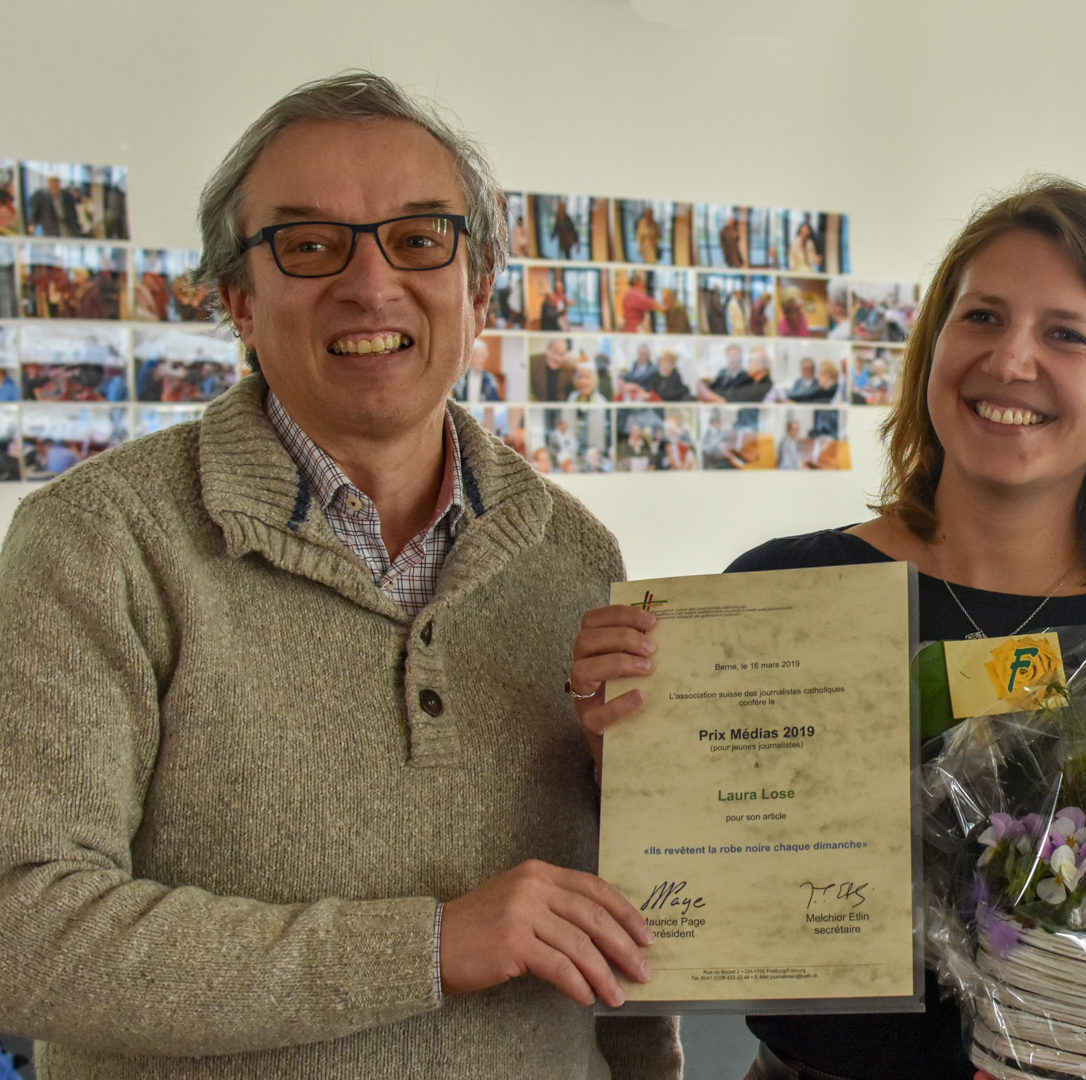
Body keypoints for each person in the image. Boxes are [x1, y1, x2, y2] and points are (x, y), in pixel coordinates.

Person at [0, 72, 680, 1079]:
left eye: (418, 238)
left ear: (477, 288)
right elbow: (27, 933)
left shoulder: (574, 554)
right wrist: (426, 948)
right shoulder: (99, 542)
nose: (370, 284)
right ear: (239, 297)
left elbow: (610, 924)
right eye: (310, 246)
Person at [567, 178, 1086, 1080]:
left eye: (1066, 335)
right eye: (981, 318)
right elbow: (702, 861)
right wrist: (632, 756)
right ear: (932, 349)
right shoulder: (787, 592)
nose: (1009, 360)